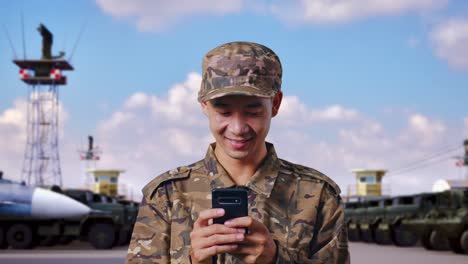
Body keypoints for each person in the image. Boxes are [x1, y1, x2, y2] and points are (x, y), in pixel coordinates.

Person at [126, 41, 350, 263]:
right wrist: (193, 260)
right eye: (224, 111)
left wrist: (276, 259)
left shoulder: (318, 196)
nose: (237, 128)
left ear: (275, 104)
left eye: (252, 111)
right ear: (204, 105)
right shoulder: (166, 196)